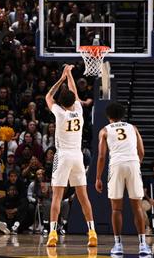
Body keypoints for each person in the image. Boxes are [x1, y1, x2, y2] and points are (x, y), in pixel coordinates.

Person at [45, 64, 97, 247]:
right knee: (84, 198)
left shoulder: (59, 112)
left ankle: (52, 233)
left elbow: (48, 96)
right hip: (78, 156)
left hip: (63, 156)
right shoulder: (79, 111)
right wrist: (69, 75)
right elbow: (74, 91)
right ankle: (92, 232)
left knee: (57, 197)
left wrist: (61, 77)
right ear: (74, 101)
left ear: (61, 103)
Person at [95, 101, 152, 256]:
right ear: (122, 115)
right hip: (133, 164)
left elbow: (101, 156)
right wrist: (135, 164)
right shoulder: (132, 128)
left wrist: (98, 177)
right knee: (137, 208)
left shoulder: (104, 130)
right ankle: (142, 245)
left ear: (108, 116)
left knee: (116, 208)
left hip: (116, 165)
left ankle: (118, 245)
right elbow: (141, 151)